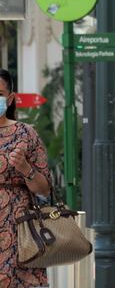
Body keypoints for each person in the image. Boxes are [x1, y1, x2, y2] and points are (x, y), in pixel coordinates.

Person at [0, 68, 51, 287]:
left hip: (20, 231)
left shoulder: (25, 134)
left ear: (10, 98)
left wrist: (25, 169)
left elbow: (44, 189)